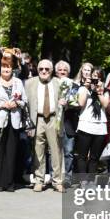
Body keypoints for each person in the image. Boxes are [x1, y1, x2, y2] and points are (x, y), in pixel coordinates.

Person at [0, 52, 27, 192]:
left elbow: (25, 101)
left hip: (14, 121)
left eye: (9, 67)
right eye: (4, 67)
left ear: (12, 68)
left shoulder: (18, 82)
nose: (6, 69)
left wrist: (17, 104)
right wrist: (1, 105)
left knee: (11, 152)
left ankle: (9, 183)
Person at [25, 60, 65, 192]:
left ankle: (57, 181)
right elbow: (25, 104)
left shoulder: (58, 83)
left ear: (52, 71)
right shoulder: (30, 83)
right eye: (41, 68)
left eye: (47, 69)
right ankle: (39, 180)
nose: (43, 71)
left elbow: (68, 101)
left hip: (53, 118)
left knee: (56, 151)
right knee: (38, 151)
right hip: (37, 119)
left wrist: (65, 102)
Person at [73, 66, 109, 185]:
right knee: (82, 156)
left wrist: (99, 91)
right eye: (94, 77)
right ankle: (83, 181)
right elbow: (81, 103)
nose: (95, 80)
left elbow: (105, 104)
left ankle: (91, 182)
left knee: (94, 158)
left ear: (102, 79)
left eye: (98, 78)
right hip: (85, 126)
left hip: (100, 128)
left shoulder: (106, 91)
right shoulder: (84, 89)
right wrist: (87, 87)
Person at [55, 60, 78, 187]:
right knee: (54, 150)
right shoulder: (52, 83)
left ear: (68, 72)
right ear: (56, 71)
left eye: (65, 70)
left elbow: (76, 103)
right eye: (60, 70)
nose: (62, 72)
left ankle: (68, 177)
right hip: (54, 121)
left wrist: (68, 103)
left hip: (68, 121)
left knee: (68, 151)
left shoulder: (73, 85)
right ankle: (54, 176)